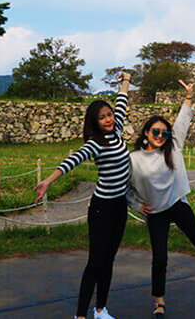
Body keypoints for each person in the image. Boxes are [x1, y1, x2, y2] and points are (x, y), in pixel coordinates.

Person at [128, 80, 195, 319]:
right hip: (155, 211)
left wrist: (188, 96)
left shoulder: (173, 147)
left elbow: (182, 122)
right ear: (146, 132)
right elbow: (125, 188)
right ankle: (159, 302)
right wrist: (136, 206)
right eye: (155, 131)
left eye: (164, 133)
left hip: (176, 203)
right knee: (160, 258)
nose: (160, 136)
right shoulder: (133, 159)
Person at [33, 73, 132, 319]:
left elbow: (122, 101)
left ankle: (101, 310)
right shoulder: (95, 143)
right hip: (102, 208)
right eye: (102, 117)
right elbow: (71, 161)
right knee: (95, 262)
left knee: (109, 260)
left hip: (120, 206)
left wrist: (126, 81)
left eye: (108, 114)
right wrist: (47, 180)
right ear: (94, 122)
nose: (108, 119)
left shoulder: (117, 128)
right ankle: (80, 315)